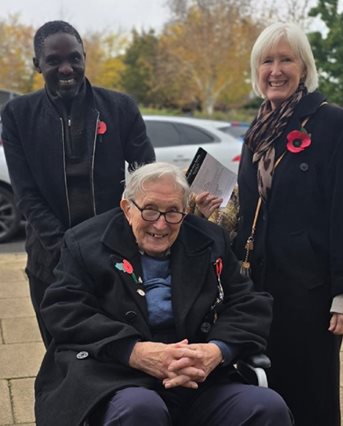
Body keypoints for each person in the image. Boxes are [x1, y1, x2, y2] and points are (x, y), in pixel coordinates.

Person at [34, 162, 293, 426]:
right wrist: (134, 352)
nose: (161, 224)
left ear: (185, 211)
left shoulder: (209, 239)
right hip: (117, 376)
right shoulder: (85, 242)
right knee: (141, 410)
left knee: (267, 408)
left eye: (173, 212)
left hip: (197, 376)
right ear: (127, 209)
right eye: (150, 210)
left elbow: (248, 302)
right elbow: (64, 309)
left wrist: (216, 351)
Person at [196, 22, 343, 426]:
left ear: (305, 67)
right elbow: (245, 208)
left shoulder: (334, 124)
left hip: (309, 289)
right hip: (256, 285)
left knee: (312, 390)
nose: (275, 70)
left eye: (286, 59)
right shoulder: (258, 128)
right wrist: (210, 212)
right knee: (266, 387)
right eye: (267, 60)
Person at [1, 20, 155, 346]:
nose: (66, 68)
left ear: (85, 56)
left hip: (113, 255)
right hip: (50, 261)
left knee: (118, 349)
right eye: (53, 61)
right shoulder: (18, 115)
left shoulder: (120, 107)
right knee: (60, 353)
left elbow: (146, 177)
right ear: (37, 64)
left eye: (74, 57)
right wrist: (67, 251)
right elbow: (26, 194)